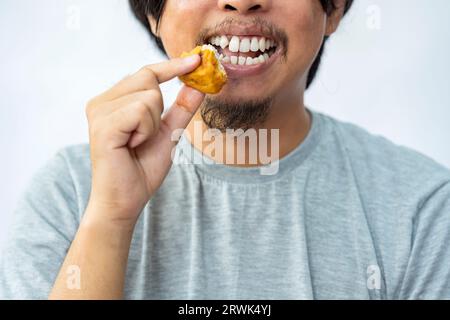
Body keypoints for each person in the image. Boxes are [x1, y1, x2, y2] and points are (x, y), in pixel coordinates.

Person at [1, 0, 449, 300]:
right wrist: (111, 218)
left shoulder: (421, 209)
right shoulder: (69, 197)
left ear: (331, 11)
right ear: (155, 14)